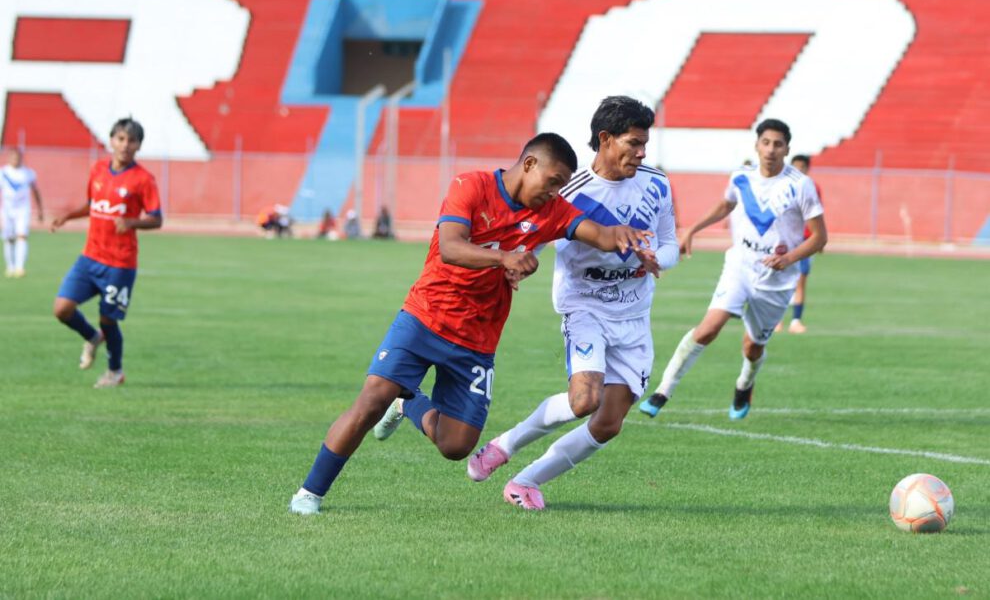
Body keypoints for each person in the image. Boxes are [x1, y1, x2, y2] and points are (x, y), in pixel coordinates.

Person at [288, 132, 655, 515]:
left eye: (562, 186)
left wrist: (623, 238)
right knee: (371, 400)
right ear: (529, 164)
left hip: (478, 339)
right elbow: (451, 246)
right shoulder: (472, 186)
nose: (555, 192)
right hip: (426, 316)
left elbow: (595, 233)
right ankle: (310, 493)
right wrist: (505, 259)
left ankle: (408, 401)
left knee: (456, 445)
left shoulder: (552, 211)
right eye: (553, 182)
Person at [464, 96, 680, 510]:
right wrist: (515, 267)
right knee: (584, 400)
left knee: (609, 423)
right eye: (634, 143)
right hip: (586, 307)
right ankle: (502, 446)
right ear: (605, 139)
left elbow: (670, 242)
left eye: (644, 143)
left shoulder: (657, 183)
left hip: (634, 315)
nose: (642, 152)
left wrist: (657, 259)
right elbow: (534, 239)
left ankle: (525, 482)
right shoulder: (571, 192)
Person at [639, 119, 826, 420]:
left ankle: (744, 384)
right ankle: (663, 390)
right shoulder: (741, 178)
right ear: (757, 145)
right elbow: (725, 205)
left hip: (776, 278)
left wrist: (788, 259)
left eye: (778, 144)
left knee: (753, 347)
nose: (771, 149)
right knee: (709, 327)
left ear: (787, 149)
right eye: (766, 142)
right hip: (740, 265)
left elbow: (820, 237)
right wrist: (693, 230)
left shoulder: (800, 186)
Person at [50, 118, 163, 388]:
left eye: (132, 141)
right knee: (62, 309)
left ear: (138, 146)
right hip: (90, 257)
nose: (125, 145)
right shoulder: (98, 169)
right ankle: (91, 337)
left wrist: (132, 222)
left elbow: (157, 219)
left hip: (120, 262)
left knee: (108, 319)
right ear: (111, 140)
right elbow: (93, 205)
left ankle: (115, 371)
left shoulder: (143, 179)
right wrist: (68, 216)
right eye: (121, 139)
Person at [775, 154, 821, 334]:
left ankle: (796, 320)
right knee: (779, 281)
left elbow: (817, 216)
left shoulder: (811, 187)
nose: (799, 170)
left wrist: (818, 240)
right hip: (785, 242)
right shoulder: (781, 187)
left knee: (800, 281)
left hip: (805, 243)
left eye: (802, 167)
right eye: (796, 167)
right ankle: (776, 320)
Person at [1, 148, 44, 278]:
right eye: (13, 157)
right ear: (9, 158)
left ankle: (20, 268)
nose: (15, 160)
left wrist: (40, 209)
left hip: (22, 209)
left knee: (22, 236)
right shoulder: (3, 172)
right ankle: (10, 267)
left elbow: (35, 191)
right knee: (9, 238)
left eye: (17, 157)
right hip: (7, 210)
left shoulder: (28, 173)